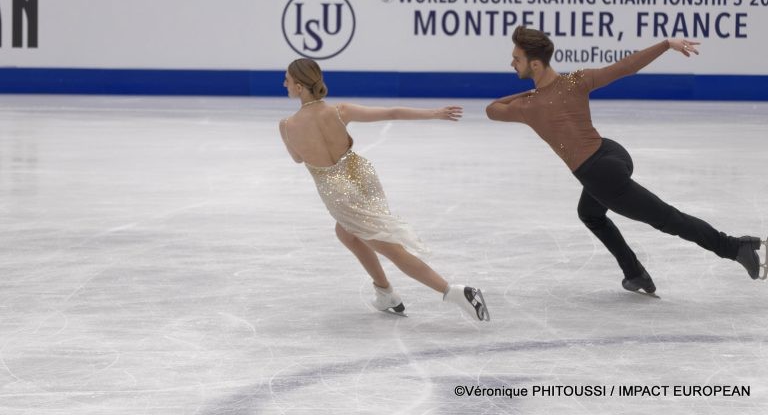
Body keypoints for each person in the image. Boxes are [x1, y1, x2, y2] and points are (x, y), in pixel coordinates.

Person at [486, 26, 766, 294]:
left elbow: (492, 108)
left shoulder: (528, 106)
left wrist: (533, 92)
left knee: (669, 219)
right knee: (590, 213)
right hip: (612, 153)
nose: (512, 63)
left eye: (517, 59)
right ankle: (633, 272)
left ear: (535, 65)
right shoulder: (576, 80)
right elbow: (626, 67)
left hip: (599, 175)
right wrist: (666, 44)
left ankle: (735, 248)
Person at [279, 58, 490, 321]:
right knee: (346, 234)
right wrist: (433, 113)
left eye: (287, 79)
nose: (284, 83)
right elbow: (391, 113)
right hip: (361, 175)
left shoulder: (287, 126)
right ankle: (385, 292)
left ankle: (454, 292)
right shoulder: (340, 111)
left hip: (338, 192)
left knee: (390, 248)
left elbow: (299, 159)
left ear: (299, 87)